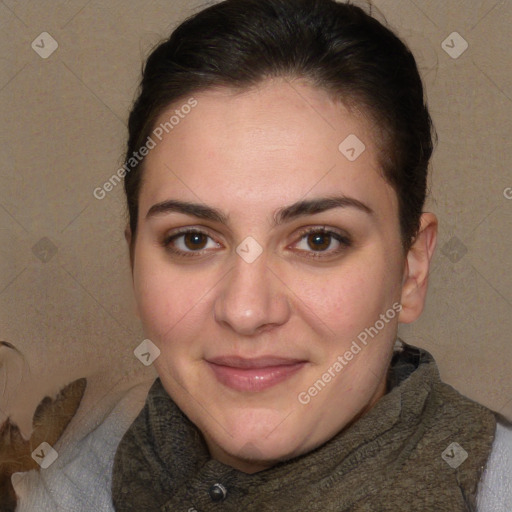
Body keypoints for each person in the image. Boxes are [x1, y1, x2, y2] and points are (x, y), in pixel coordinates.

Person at [112, 0, 512, 510]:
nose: (247, 310)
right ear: (133, 262)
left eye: (318, 240)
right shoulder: (66, 477)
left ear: (411, 270)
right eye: (193, 239)